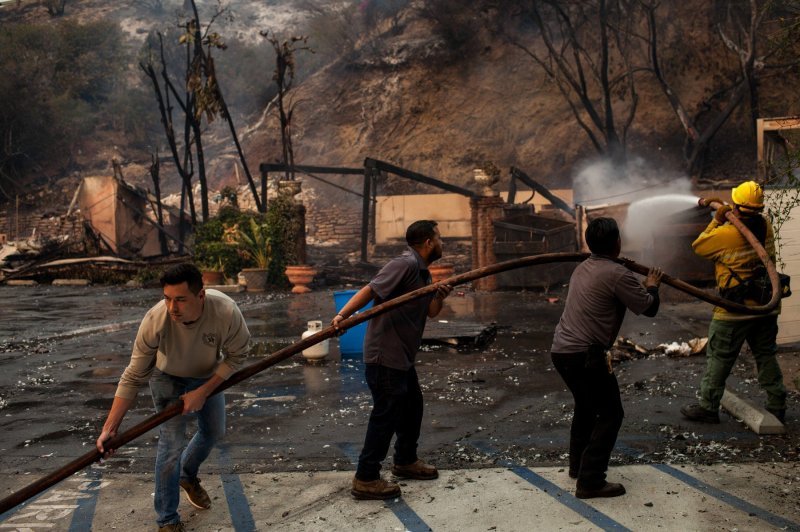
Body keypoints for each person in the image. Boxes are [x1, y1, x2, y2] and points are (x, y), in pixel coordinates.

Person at [96, 263, 251, 532]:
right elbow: (133, 375)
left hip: (207, 376)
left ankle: (186, 475)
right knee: (171, 445)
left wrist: (203, 391)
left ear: (200, 295)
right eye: (167, 298)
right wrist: (110, 428)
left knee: (214, 431)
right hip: (166, 377)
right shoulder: (156, 320)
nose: (172, 307)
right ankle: (167, 519)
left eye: (180, 299)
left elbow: (239, 355)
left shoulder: (225, 311)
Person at [332, 220, 452, 500]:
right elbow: (371, 289)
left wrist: (439, 296)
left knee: (412, 408)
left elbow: (431, 312)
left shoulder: (423, 273)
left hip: (402, 358)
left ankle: (405, 461)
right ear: (428, 243)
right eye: (440, 237)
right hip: (385, 355)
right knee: (386, 415)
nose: (442, 242)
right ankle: (366, 478)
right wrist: (343, 316)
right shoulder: (405, 264)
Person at [550, 217, 662, 499]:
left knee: (587, 408)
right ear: (617, 243)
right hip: (584, 355)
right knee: (611, 414)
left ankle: (578, 467)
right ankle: (590, 481)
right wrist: (652, 285)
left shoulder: (582, 267)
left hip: (562, 351)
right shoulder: (618, 274)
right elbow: (648, 308)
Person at [681, 181, 786, 424]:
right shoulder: (766, 226)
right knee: (766, 355)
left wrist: (718, 219)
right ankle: (777, 404)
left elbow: (698, 246)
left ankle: (708, 407)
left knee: (719, 357)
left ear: (736, 206)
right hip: (765, 306)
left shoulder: (726, 234)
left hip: (734, 310)